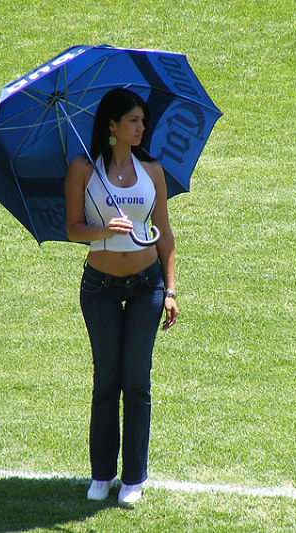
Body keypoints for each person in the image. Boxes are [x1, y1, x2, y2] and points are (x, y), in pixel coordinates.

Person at [65, 88, 178, 505]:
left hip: (147, 284)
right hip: (100, 289)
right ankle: (101, 474)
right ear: (111, 125)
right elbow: (73, 227)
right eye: (132, 120)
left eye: (142, 121)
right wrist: (104, 231)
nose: (140, 127)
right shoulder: (82, 169)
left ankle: (134, 478)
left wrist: (169, 289)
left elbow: (164, 235)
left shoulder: (153, 171)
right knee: (106, 381)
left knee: (137, 381)